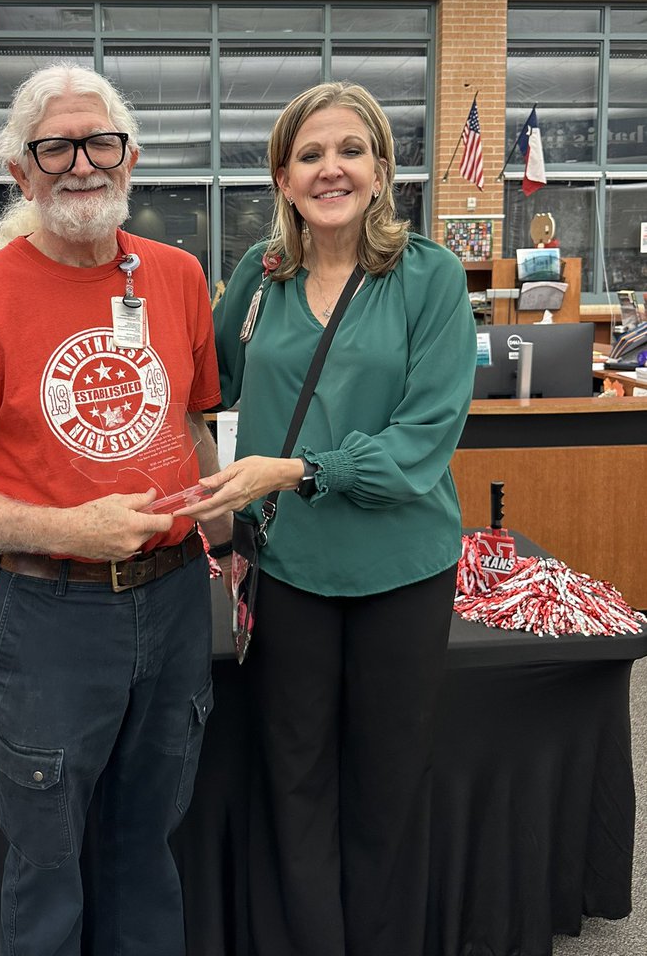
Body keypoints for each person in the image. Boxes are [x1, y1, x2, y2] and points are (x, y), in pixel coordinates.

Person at [0, 64, 231, 956]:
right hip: (50, 617)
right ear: (19, 172)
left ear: (131, 157)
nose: (82, 163)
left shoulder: (180, 277)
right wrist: (72, 529)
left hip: (178, 598)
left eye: (100, 142)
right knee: (47, 865)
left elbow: (192, 419)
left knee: (147, 845)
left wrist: (220, 520)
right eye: (55, 146)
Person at [183, 82, 477, 956]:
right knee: (294, 778)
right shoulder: (257, 280)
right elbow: (199, 387)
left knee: (387, 782)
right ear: (282, 177)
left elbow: (423, 440)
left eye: (351, 149)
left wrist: (301, 467)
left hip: (403, 572)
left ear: (382, 170)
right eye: (309, 154)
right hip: (291, 572)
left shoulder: (430, 276)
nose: (331, 167)